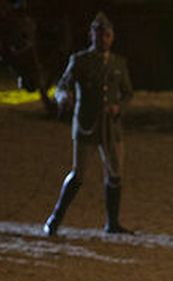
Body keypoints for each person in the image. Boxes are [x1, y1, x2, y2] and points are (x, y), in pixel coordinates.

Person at [43, 12, 134, 236]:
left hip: (111, 128)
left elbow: (128, 93)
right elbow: (63, 85)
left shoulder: (118, 63)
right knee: (78, 174)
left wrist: (119, 107)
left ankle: (112, 222)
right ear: (91, 35)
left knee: (115, 174)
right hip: (86, 125)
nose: (102, 39)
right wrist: (63, 97)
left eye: (107, 35)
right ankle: (55, 218)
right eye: (98, 34)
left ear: (112, 37)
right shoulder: (80, 60)